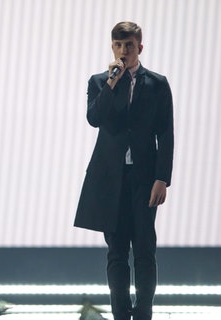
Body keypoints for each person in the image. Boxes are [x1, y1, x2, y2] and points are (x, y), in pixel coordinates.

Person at [74, 21, 174, 320]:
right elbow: (95, 118)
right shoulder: (98, 82)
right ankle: (120, 313)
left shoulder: (157, 83)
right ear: (112, 47)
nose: (123, 50)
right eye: (118, 45)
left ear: (139, 47)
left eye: (129, 45)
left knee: (144, 248)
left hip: (144, 178)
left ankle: (144, 313)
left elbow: (166, 134)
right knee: (116, 251)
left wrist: (162, 178)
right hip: (110, 178)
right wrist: (111, 83)